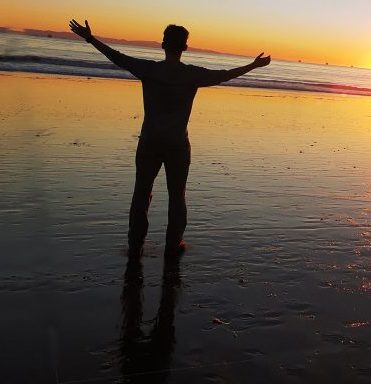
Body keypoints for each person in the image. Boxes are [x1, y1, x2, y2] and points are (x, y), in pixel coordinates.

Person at [69, 19, 271, 257]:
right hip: (177, 145)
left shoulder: (150, 69)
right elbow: (224, 75)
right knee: (177, 196)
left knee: (141, 193)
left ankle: (136, 244)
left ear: (163, 44)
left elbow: (116, 56)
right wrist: (253, 65)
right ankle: (173, 244)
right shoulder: (192, 74)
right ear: (184, 48)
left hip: (149, 142)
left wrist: (90, 38)